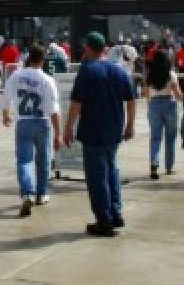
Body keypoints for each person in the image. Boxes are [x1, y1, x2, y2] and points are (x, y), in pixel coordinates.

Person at [64, 32, 135, 237]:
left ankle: (103, 220)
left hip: (93, 130)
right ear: (104, 48)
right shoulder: (119, 71)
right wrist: (129, 126)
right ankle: (115, 212)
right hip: (114, 131)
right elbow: (131, 101)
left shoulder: (87, 71)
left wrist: (68, 127)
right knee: (112, 171)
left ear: (87, 48)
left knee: (97, 177)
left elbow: (77, 103)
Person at [0, 45, 61, 217]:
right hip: (42, 123)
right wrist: (58, 133)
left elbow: (6, 97)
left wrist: (6, 115)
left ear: (28, 58)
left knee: (24, 161)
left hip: (23, 122)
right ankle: (42, 193)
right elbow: (54, 109)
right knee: (43, 160)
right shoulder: (47, 79)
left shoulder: (16, 75)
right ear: (43, 60)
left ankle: (27, 192)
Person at [144, 48, 181, 180]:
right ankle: (169, 167)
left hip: (154, 104)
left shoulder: (149, 75)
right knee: (170, 137)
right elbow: (177, 94)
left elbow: (146, 94)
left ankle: (154, 164)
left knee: (155, 137)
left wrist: (149, 107)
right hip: (169, 104)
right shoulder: (171, 74)